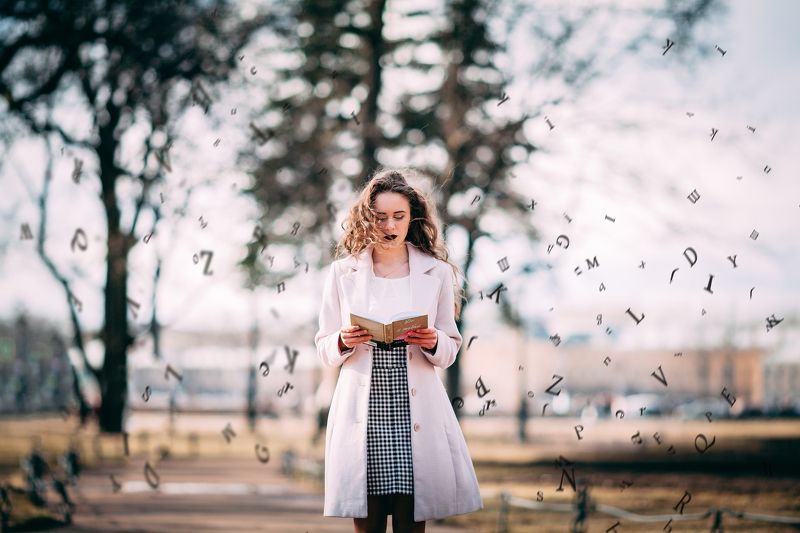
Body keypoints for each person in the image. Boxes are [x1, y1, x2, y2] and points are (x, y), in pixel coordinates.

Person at [315, 167, 482, 532]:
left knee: (411, 519)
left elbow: (451, 345)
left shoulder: (435, 272)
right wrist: (343, 340)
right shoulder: (343, 273)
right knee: (369, 519)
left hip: (414, 411)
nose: (389, 226)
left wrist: (434, 341)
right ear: (366, 218)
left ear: (412, 219)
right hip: (365, 410)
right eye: (380, 217)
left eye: (398, 217)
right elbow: (324, 346)